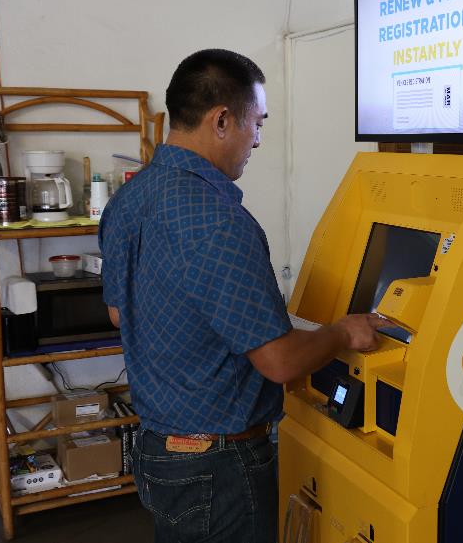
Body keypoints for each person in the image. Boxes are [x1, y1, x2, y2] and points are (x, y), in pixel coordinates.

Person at [98, 48, 386, 543]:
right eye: (258, 123)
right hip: (220, 466)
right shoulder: (220, 221)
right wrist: (343, 331)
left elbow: (119, 312)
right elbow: (278, 362)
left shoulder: (130, 197)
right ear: (223, 120)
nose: (258, 139)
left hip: (160, 452)